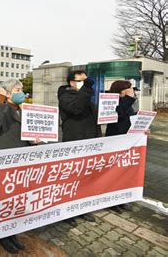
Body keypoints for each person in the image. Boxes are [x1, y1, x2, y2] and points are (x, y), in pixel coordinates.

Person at [0, 79, 40, 254]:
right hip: (4, 162)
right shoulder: (3, 108)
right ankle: (2, 235)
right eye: (17, 89)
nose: (21, 92)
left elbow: (31, 132)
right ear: (8, 93)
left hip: (22, 161)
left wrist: (34, 141)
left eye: (22, 89)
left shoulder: (25, 110)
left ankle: (12, 233)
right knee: (4, 199)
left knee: (17, 199)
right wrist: (0, 99)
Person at [58, 70, 101, 226]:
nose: (85, 82)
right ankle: (66, 211)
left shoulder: (86, 97)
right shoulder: (65, 96)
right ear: (72, 83)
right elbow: (76, 109)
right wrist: (87, 88)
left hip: (90, 143)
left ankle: (81, 207)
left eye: (86, 79)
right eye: (81, 80)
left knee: (86, 178)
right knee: (71, 179)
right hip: (75, 143)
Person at [105, 80, 147, 213]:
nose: (131, 91)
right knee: (113, 172)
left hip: (127, 143)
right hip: (115, 142)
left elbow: (132, 120)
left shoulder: (129, 103)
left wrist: (142, 129)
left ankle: (121, 199)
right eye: (128, 89)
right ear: (120, 90)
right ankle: (111, 201)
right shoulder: (111, 102)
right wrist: (128, 97)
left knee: (124, 172)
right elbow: (119, 114)